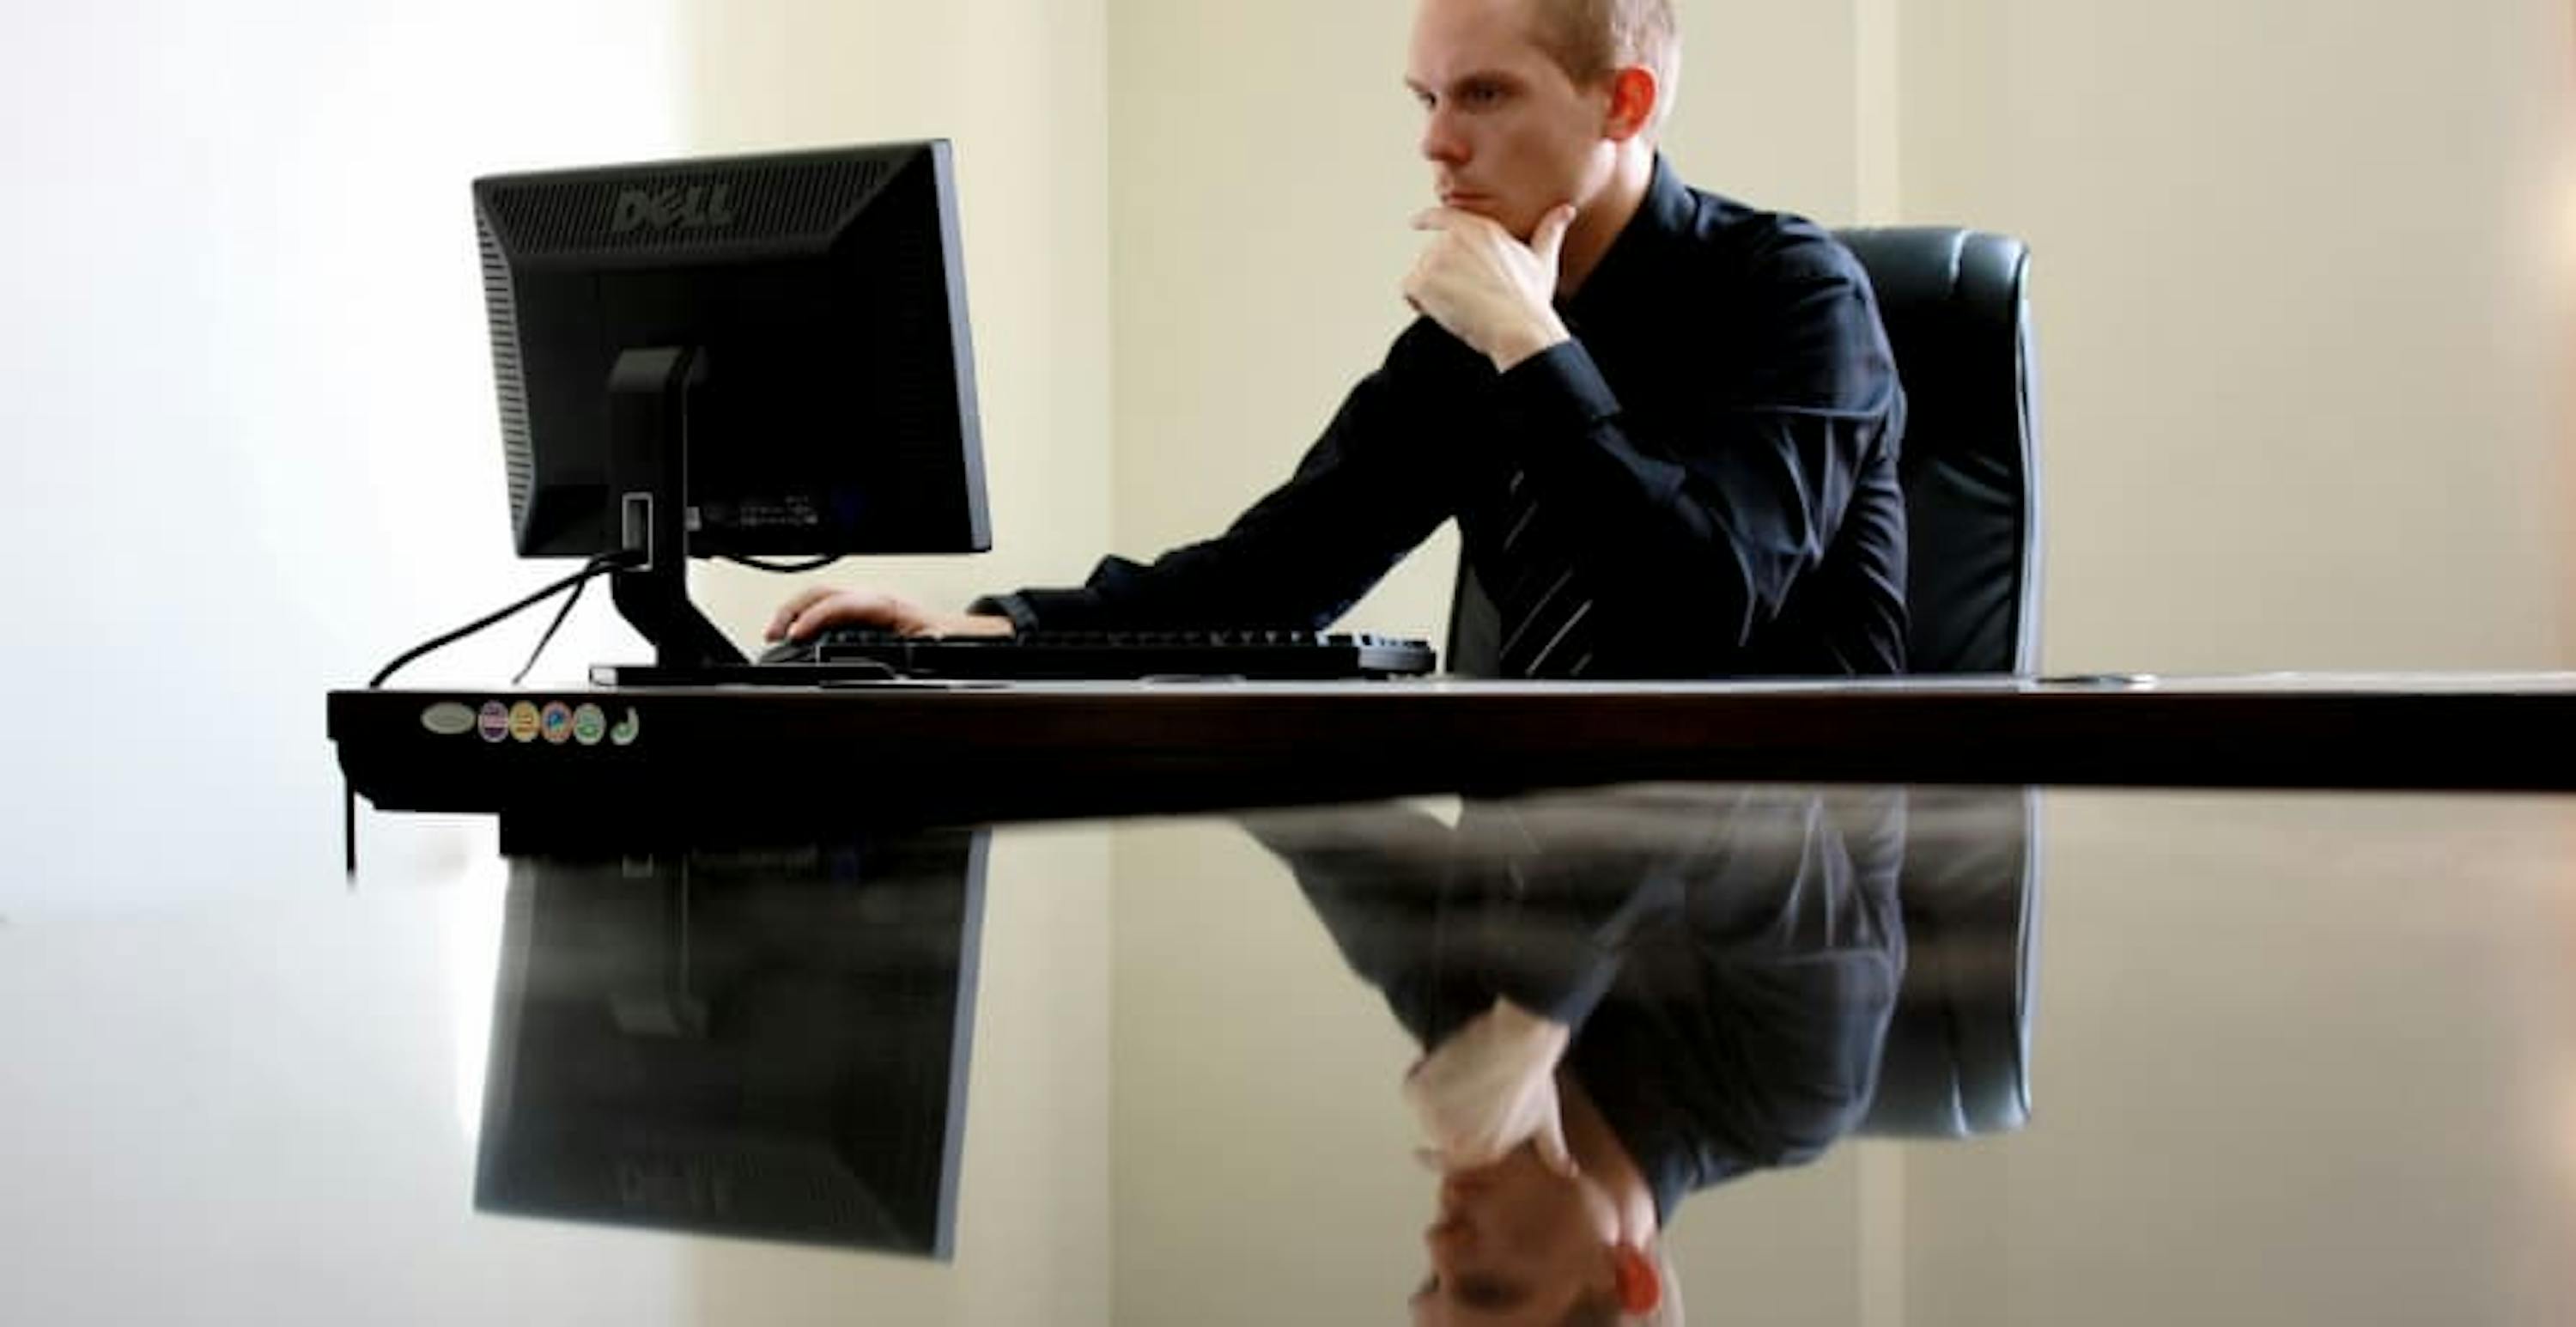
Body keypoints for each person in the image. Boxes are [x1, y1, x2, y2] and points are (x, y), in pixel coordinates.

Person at [771, 0, 1908, 680]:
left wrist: (1530, 343)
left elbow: (1702, 607)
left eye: (1485, 96)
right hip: (1534, 888)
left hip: (1772, 915)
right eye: (1426, 99)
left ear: (1623, 102)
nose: (1438, 145)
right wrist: (986, 630)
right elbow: (1273, 576)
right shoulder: (1470, 333)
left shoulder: (1796, 297)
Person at [1242, 783, 1910, 1325]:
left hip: (1550, 639)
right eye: (1487, 1286)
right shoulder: (1793, 1089)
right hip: (1764, 635)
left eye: (1431, 1279)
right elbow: (1707, 783)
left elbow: (1305, 809)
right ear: (1628, 1273)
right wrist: (1534, 1021)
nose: (1437, 1242)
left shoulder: (1463, 1026)